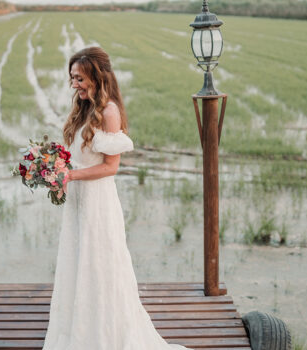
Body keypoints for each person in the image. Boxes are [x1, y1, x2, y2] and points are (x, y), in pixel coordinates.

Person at [42, 47, 191, 350]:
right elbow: (77, 159)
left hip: (98, 203)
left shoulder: (109, 112)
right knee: (77, 263)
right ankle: (78, 332)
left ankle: (104, 335)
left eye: (80, 78)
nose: (75, 84)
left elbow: (111, 167)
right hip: (78, 202)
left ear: (97, 76)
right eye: (72, 78)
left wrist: (70, 176)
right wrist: (57, 172)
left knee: (99, 266)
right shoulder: (83, 109)